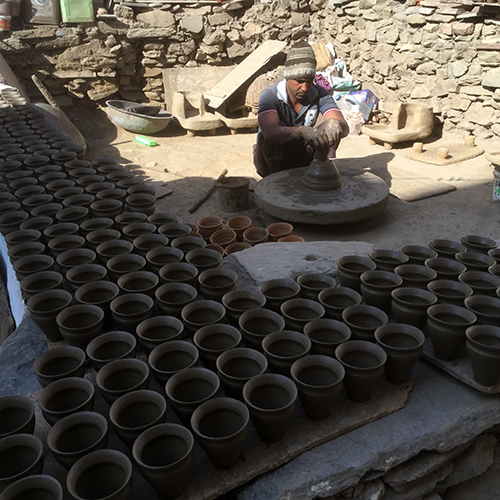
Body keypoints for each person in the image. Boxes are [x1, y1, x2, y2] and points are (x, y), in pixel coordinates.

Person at [253, 42, 349, 178]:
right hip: (274, 158)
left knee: (329, 128)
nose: (305, 87)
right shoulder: (270, 95)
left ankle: (319, 172)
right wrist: (299, 131)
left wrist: (336, 124)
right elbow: (270, 133)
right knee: (269, 138)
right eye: (299, 81)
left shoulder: (319, 93)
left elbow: (344, 127)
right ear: (287, 77)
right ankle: (275, 180)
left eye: (309, 81)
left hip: (304, 154)